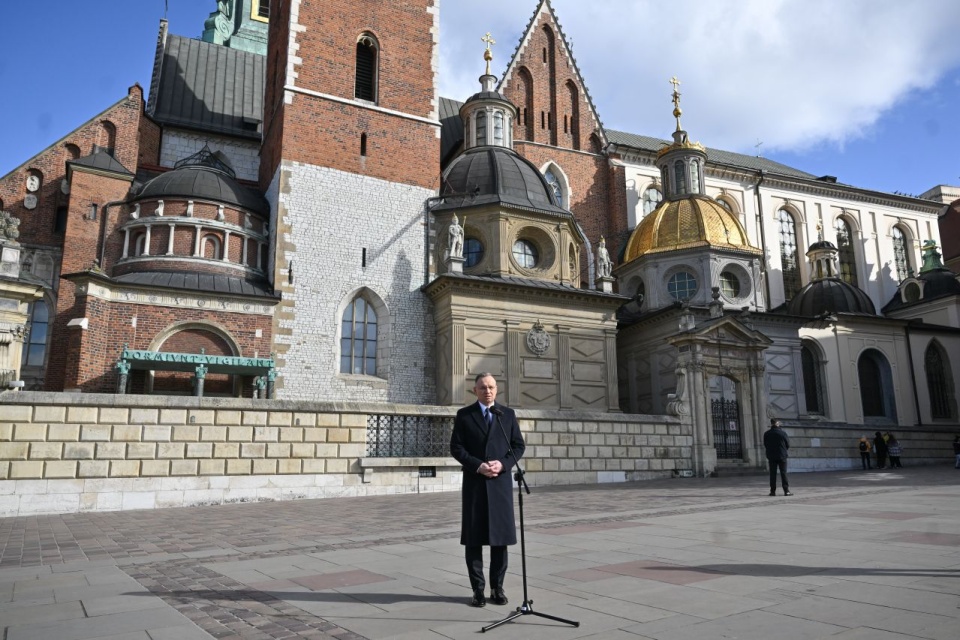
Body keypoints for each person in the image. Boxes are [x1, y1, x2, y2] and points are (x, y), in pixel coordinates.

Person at [450, 373, 526, 608]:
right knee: (474, 540)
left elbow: (518, 445)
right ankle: (478, 590)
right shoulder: (465, 415)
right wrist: (478, 465)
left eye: (491, 387)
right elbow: (456, 447)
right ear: (475, 391)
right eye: (483, 387)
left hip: (500, 485)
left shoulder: (507, 414)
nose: (488, 391)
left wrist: (503, 464)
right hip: (475, 484)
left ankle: (497, 588)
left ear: (497, 389)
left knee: (499, 541)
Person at [763, 418, 791, 496]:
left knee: (772, 474)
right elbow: (787, 444)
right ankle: (786, 490)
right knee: (783, 473)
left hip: (771, 456)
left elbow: (765, 444)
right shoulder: (783, 433)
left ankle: (772, 491)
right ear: (777, 424)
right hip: (782, 455)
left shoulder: (767, 433)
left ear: (771, 424)